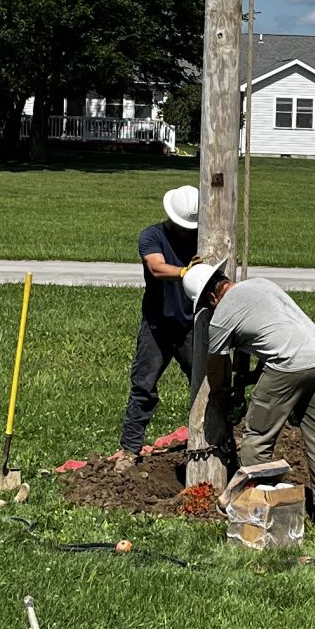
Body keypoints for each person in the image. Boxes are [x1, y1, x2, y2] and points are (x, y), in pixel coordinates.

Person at [185, 261, 315, 525]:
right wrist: (252, 376)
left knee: (257, 441)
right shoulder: (260, 284)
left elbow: (216, 367)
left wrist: (221, 396)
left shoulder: (222, 313)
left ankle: (262, 515)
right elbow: (275, 330)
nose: (210, 310)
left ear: (212, 296)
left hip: (286, 365)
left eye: (207, 305)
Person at [117, 184, 199, 463]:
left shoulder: (203, 238)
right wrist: (187, 272)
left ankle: (216, 439)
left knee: (204, 385)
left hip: (190, 326)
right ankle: (130, 449)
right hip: (157, 326)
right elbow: (155, 267)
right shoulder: (151, 236)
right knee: (144, 387)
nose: (186, 231)